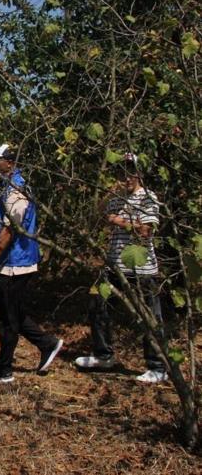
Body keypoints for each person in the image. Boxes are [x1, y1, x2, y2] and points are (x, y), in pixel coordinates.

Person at [0, 144, 63, 383]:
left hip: (16, 262)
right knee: (8, 311)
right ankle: (47, 343)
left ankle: (4, 370)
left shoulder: (17, 190)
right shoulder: (4, 187)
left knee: (8, 317)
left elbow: (9, 231)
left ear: (11, 162)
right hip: (7, 262)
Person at [74, 154, 167, 383]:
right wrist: (108, 193)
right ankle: (103, 355)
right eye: (121, 172)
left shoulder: (148, 198)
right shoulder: (117, 198)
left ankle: (157, 366)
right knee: (97, 304)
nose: (126, 177)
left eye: (130, 172)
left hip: (141, 269)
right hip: (114, 265)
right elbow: (99, 210)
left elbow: (146, 231)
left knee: (149, 316)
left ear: (139, 173)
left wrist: (119, 222)